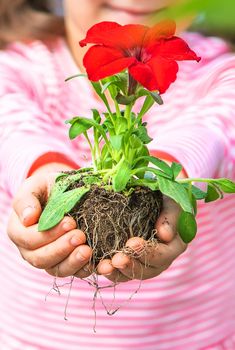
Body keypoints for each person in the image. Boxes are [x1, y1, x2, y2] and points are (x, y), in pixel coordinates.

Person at [1, 0, 235, 349]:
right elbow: (12, 128)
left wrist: (161, 175)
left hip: (195, 338)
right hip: (34, 339)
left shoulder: (218, 69)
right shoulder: (18, 68)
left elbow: (220, 126)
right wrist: (47, 173)